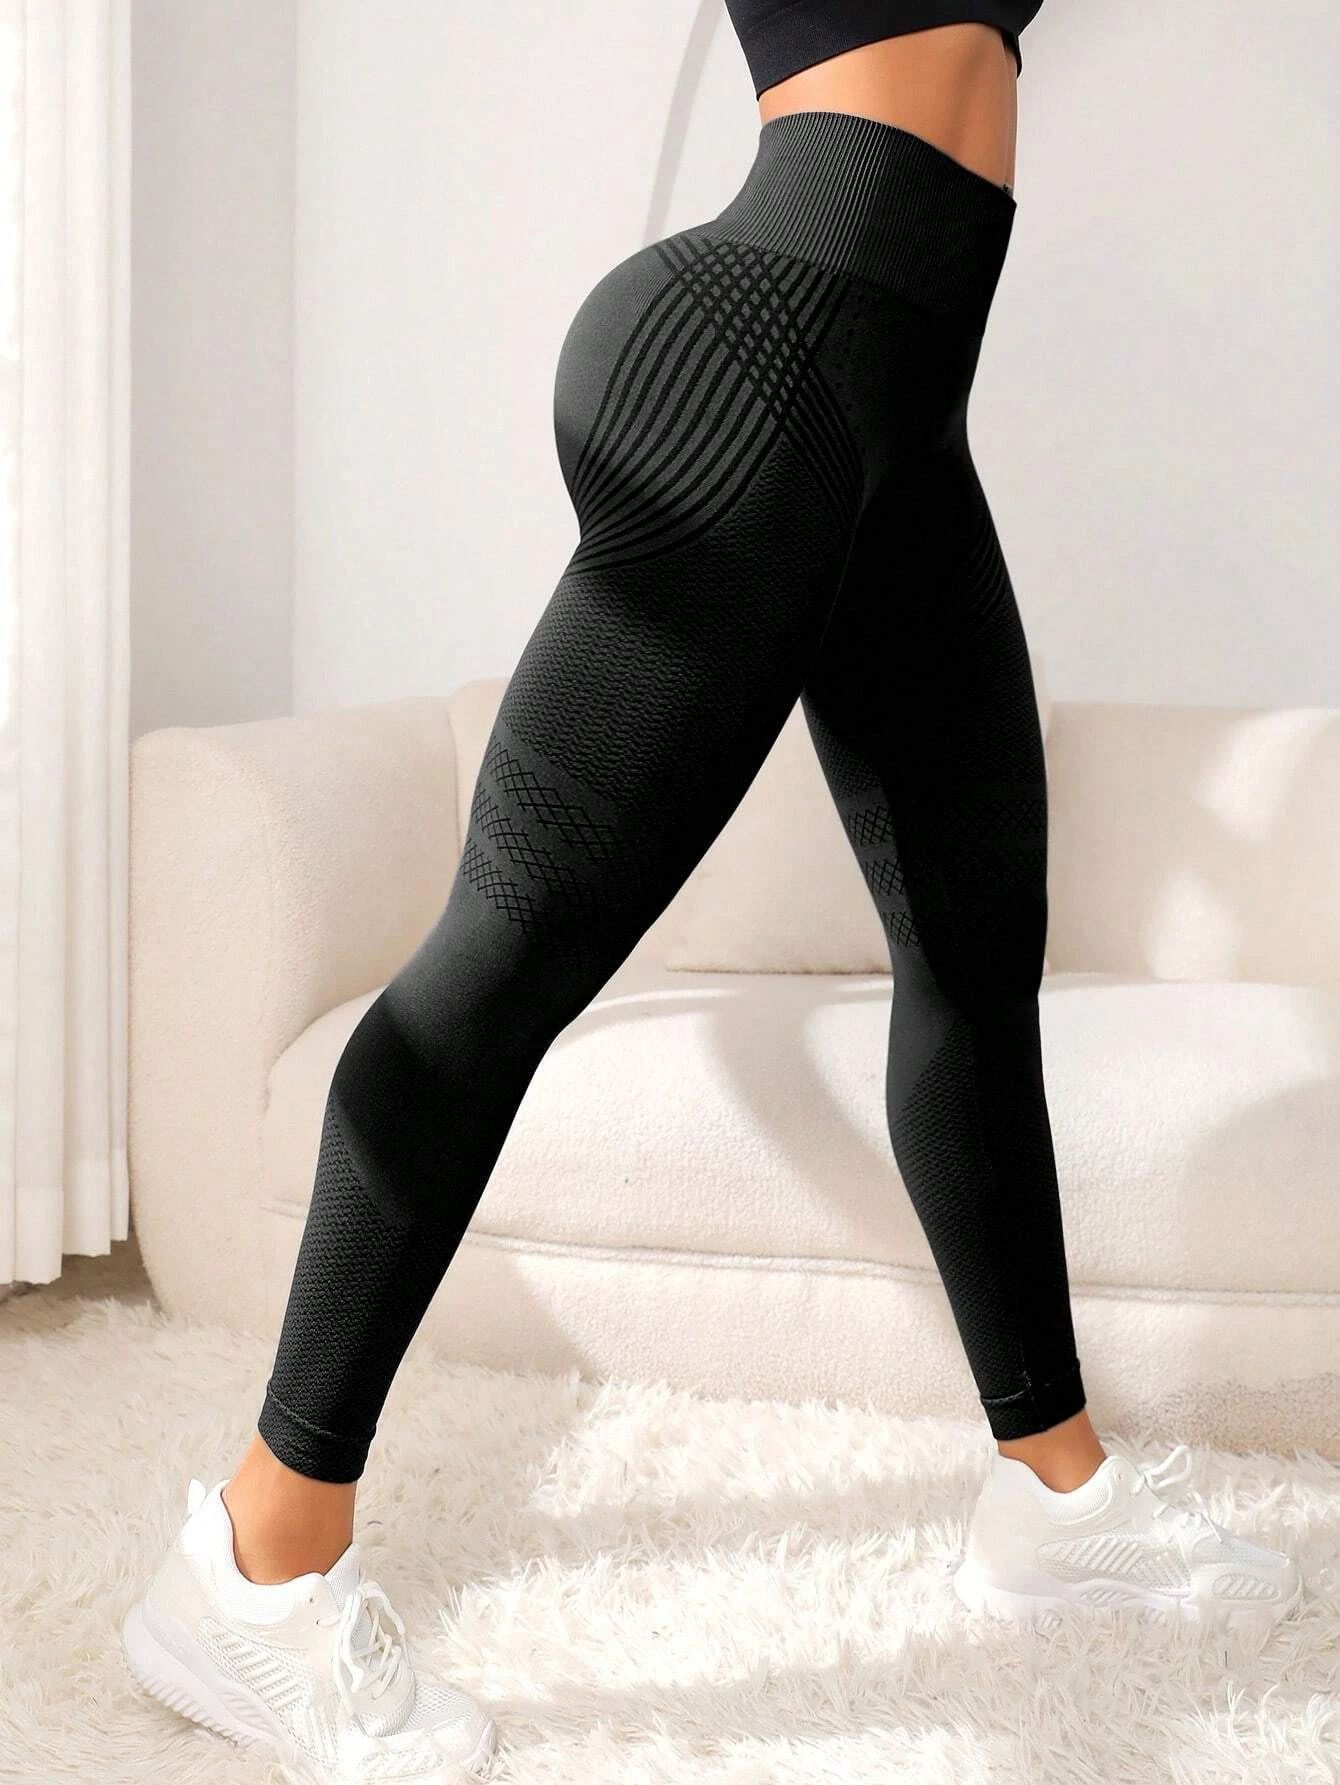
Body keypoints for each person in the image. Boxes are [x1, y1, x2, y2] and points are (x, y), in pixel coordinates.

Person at [122, 9, 1301, 1781]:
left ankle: (1054, 1499)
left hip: (896, 404)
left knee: (975, 956)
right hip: (760, 365)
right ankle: (255, 1557)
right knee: (506, 954)